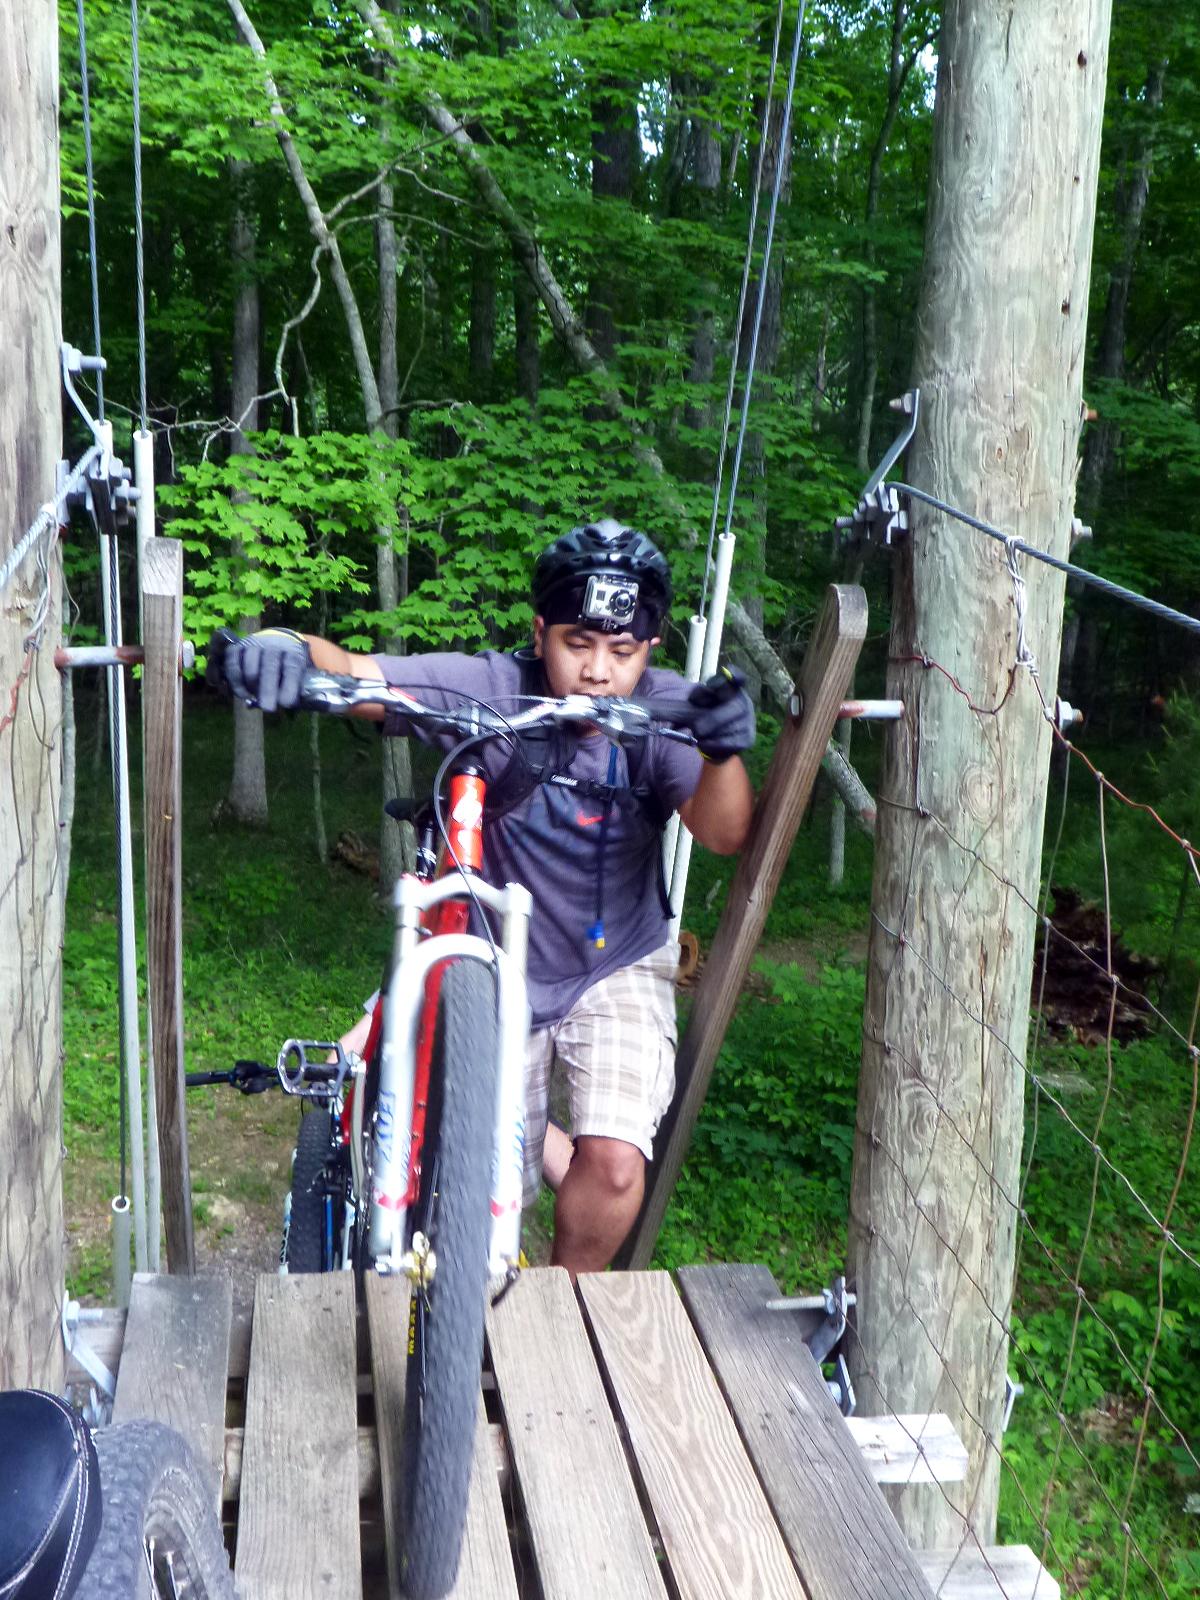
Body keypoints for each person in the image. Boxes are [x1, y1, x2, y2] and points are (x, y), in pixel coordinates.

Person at [208, 519, 755, 1275]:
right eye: (577, 644)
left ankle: (565, 1311)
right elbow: (361, 672)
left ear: (650, 649)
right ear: (539, 633)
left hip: (616, 961)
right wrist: (285, 647)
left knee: (619, 1164)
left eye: (622, 652)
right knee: (480, 1185)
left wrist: (721, 748)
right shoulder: (494, 686)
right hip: (494, 970)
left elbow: (725, 833)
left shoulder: (664, 711)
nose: (599, 671)